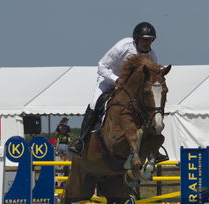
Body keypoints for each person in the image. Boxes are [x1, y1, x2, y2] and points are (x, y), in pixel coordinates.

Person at [69, 22, 168, 162]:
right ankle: (81, 141)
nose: (147, 43)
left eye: (149, 40)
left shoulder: (152, 56)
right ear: (136, 39)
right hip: (109, 80)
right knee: (94, 103)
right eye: (144, 39)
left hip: (130, 89)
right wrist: (116, 80)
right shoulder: (123, 46)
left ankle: (153, 148)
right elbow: (102, 66)